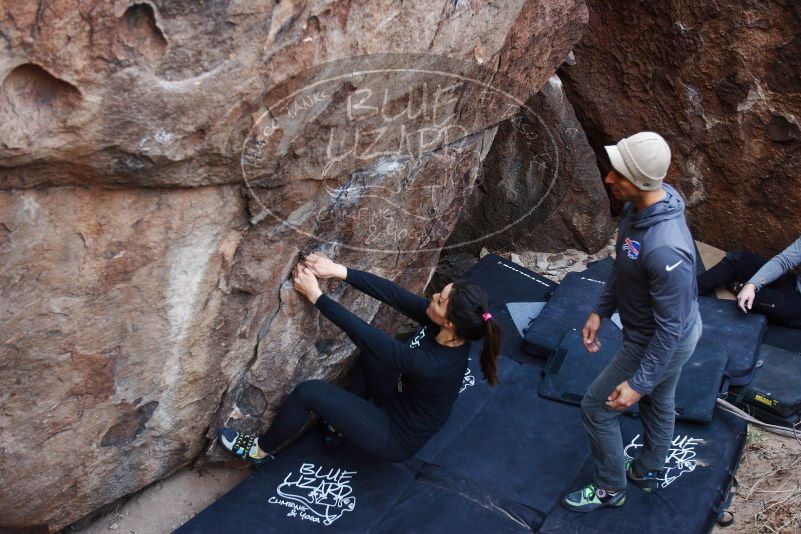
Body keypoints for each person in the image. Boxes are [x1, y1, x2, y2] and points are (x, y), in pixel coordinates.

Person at [217, 253, 501, 464]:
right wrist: (338, 271)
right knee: (375, 355)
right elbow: (394, 295)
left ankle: (260, 450)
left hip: (394, 436)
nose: (435, 296)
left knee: (309, 392)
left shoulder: (433, 365)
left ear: (451, 324)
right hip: (398, 398)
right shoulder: (443, 325)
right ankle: (338, 426)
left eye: (440, 299)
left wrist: (316, 296)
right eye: (442, 291)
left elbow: (363, 334)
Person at [562, 132, 702, 512]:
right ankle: (647, 469)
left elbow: (669, 331)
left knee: (596, 406)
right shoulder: (638, 208)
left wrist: (637, 384)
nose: (608, 178)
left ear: (639, 183)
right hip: (656, 330)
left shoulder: (665, 248)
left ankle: (611, 488)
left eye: (618, 174)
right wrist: (600, 310)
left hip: (659, 339)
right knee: (660, 400)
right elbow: (625, 265)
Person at [697, 236, 801, 327]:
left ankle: (738, 287)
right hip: (794, 282)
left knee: (758, 300)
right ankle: (690, 291)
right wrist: (752, 284)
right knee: (738, 259)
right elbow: (784, 261)